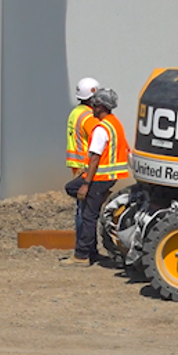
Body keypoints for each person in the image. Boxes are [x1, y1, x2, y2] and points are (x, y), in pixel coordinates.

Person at [60, 87, 130, 267]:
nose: (92, 107)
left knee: (88, 215)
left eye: (95, 104)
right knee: (79, 197)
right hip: (108, 178)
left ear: (101, 106)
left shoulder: (101, 128)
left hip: (99, 177)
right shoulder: (115, 123)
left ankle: (82, 255)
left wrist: (86, 184)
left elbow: (94, 159)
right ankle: (90, 251)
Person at [66, 77, 101, 232]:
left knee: (81, 209)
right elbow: (99, 142)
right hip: (86, 167)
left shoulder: (76, 112)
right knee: (86, 211)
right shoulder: (89, 117)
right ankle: (84, 248)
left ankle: (82, 246)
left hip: (76, 166)